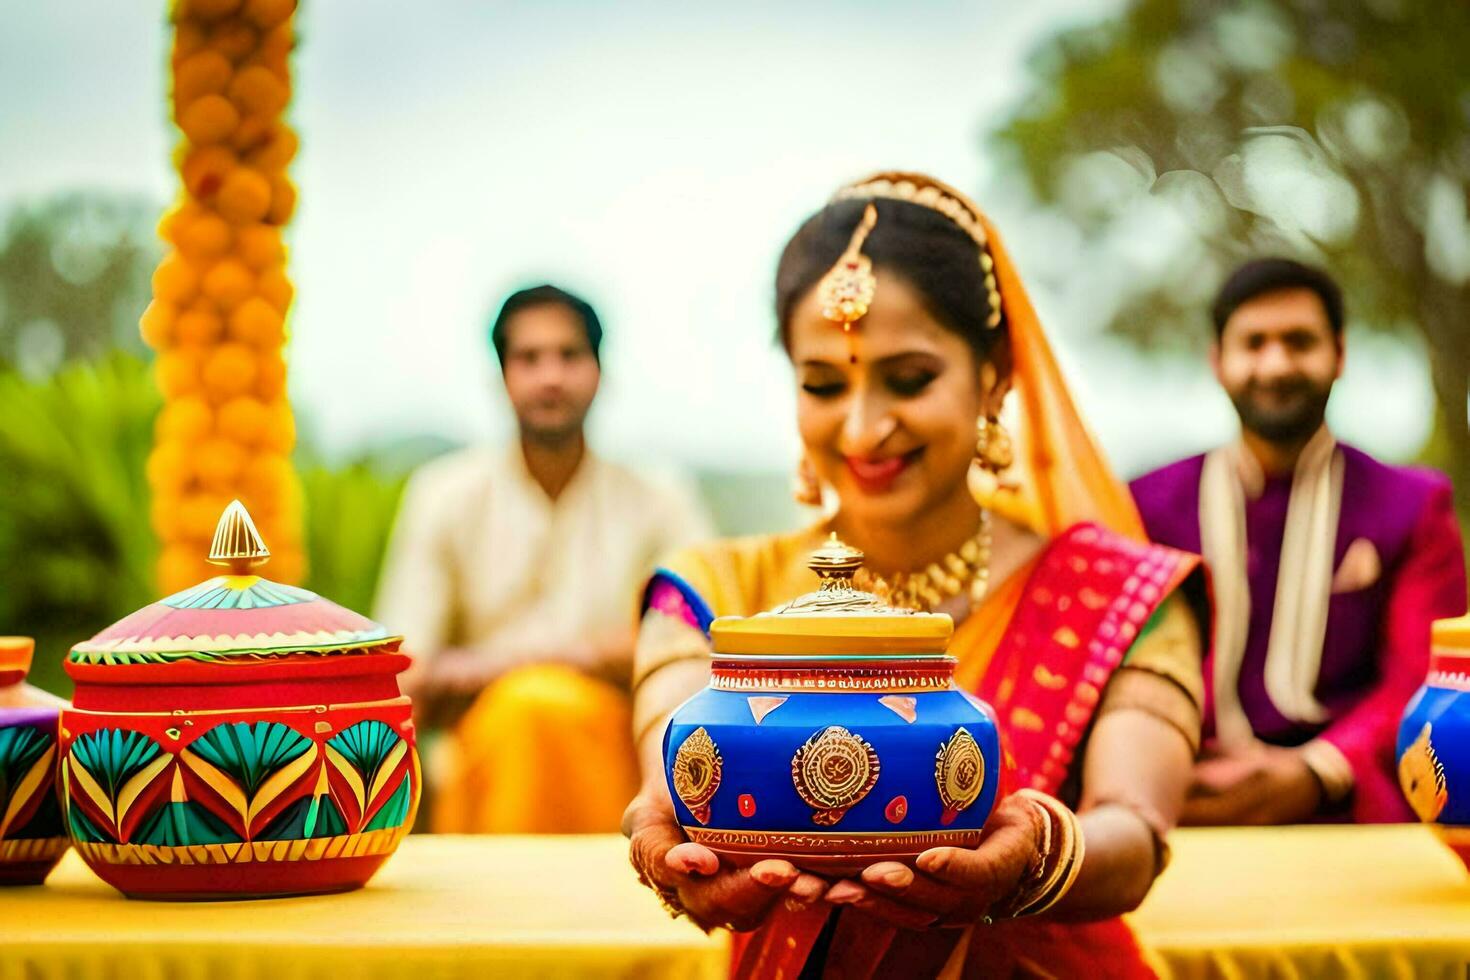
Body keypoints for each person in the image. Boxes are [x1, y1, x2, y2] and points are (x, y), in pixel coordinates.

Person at [624, 173, 1211, 978]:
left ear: (995, 375)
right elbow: (674, 783)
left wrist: (1035, 855)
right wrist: (674, 849)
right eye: (824, 384)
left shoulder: (1121, 596)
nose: (864, 428)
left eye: (909, 379)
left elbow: (1135, 835)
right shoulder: (709, 594)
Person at [1132, 258, 1467, 826]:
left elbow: (1428, 682)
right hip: (1177, 805)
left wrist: (1318, 770)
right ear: (1217, 361)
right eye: (1254, 343)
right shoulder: (1146, 506)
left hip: (1350, 810)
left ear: (1339, 355)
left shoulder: (1412, 506)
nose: (1276, 364)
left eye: (1299, 341)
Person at [375, 284, 714, 833]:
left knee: (538, 707)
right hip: (486, 761)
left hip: (625, 766)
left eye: (569, 355)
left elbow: (694, 641)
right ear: (501, 378)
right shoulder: (443, 495)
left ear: (601, 373)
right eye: (529, 358)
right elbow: (406, 670)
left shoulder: (659, 497)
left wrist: (489, 666)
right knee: (524, 713)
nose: (550, 376)